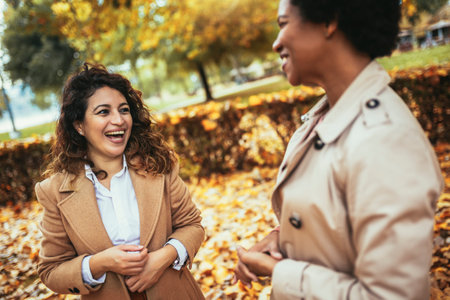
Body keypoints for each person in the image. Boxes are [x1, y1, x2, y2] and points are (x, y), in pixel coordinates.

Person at [233, 0, 444, 299]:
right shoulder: (326, 117)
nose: (275, 43)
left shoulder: (384, 141)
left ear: (329, 20)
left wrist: (281, 272)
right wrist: (282, 241)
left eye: (283, 24)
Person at [35, 63, 205, 300]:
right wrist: (99, 263)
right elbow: (51, 271)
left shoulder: (159, 166)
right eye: (104, 112)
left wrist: (162, 258)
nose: (119, 120)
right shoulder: (54, 191)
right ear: (79, 125)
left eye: (124, 110)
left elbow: (192, 226)